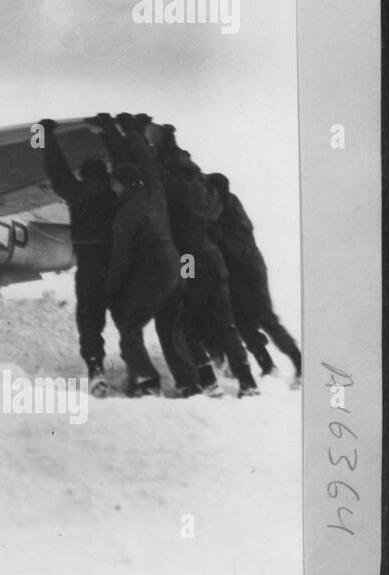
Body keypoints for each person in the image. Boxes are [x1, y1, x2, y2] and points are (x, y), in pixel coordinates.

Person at [156, 127, 259, 398]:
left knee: (185, 321)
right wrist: (170, 139)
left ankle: (207, 380)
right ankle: (248, 382)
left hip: (189, 257)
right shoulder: (208, 191)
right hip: (214, 259)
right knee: (226, 324)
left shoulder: (173, 186)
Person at [100, 116, 198, 398]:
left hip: (153, 273)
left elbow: (120, 258)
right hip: (175, 269)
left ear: (120, 185)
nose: (114, 189)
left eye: (115, 185)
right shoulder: (154, 193)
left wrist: (110, 288)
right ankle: (190, 382)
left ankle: (146, 381)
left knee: (130, 327)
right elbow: (147, 164)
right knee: (170, 329)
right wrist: (133, 132)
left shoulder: (125, 215)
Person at [40, 119, 118, 391]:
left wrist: (45, 135)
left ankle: (96, 368)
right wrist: (110, 132)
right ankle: (142, 371)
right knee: (128, 323)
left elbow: (57, 170)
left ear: (84, 175)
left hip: (88, 267)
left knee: (89, 321)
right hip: (117, 268)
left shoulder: (76, 193)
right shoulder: (116, 197)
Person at [206, 172, 302, 386]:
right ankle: (267, 365)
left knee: (265, 318)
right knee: (242, 321)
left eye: (208, 191)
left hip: (249, 272)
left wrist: (215, 236)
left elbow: (236, 247)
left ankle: (299, 362)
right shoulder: (225, 205)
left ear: (215, 191)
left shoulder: (228, 211)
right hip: (240, 274)